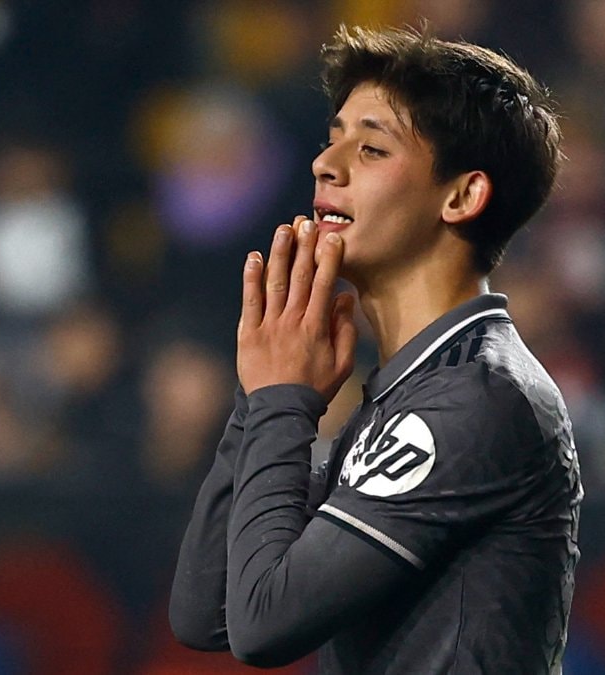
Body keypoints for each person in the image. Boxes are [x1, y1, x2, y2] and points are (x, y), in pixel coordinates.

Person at [170, 24, 582, 674]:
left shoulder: (476, 397)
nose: (325, 165)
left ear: (462, 195)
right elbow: (206, 609)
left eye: (370, 148)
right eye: (332, 138)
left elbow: (262, 624)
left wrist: (280, 400)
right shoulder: (409, 390)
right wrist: (260, 393)